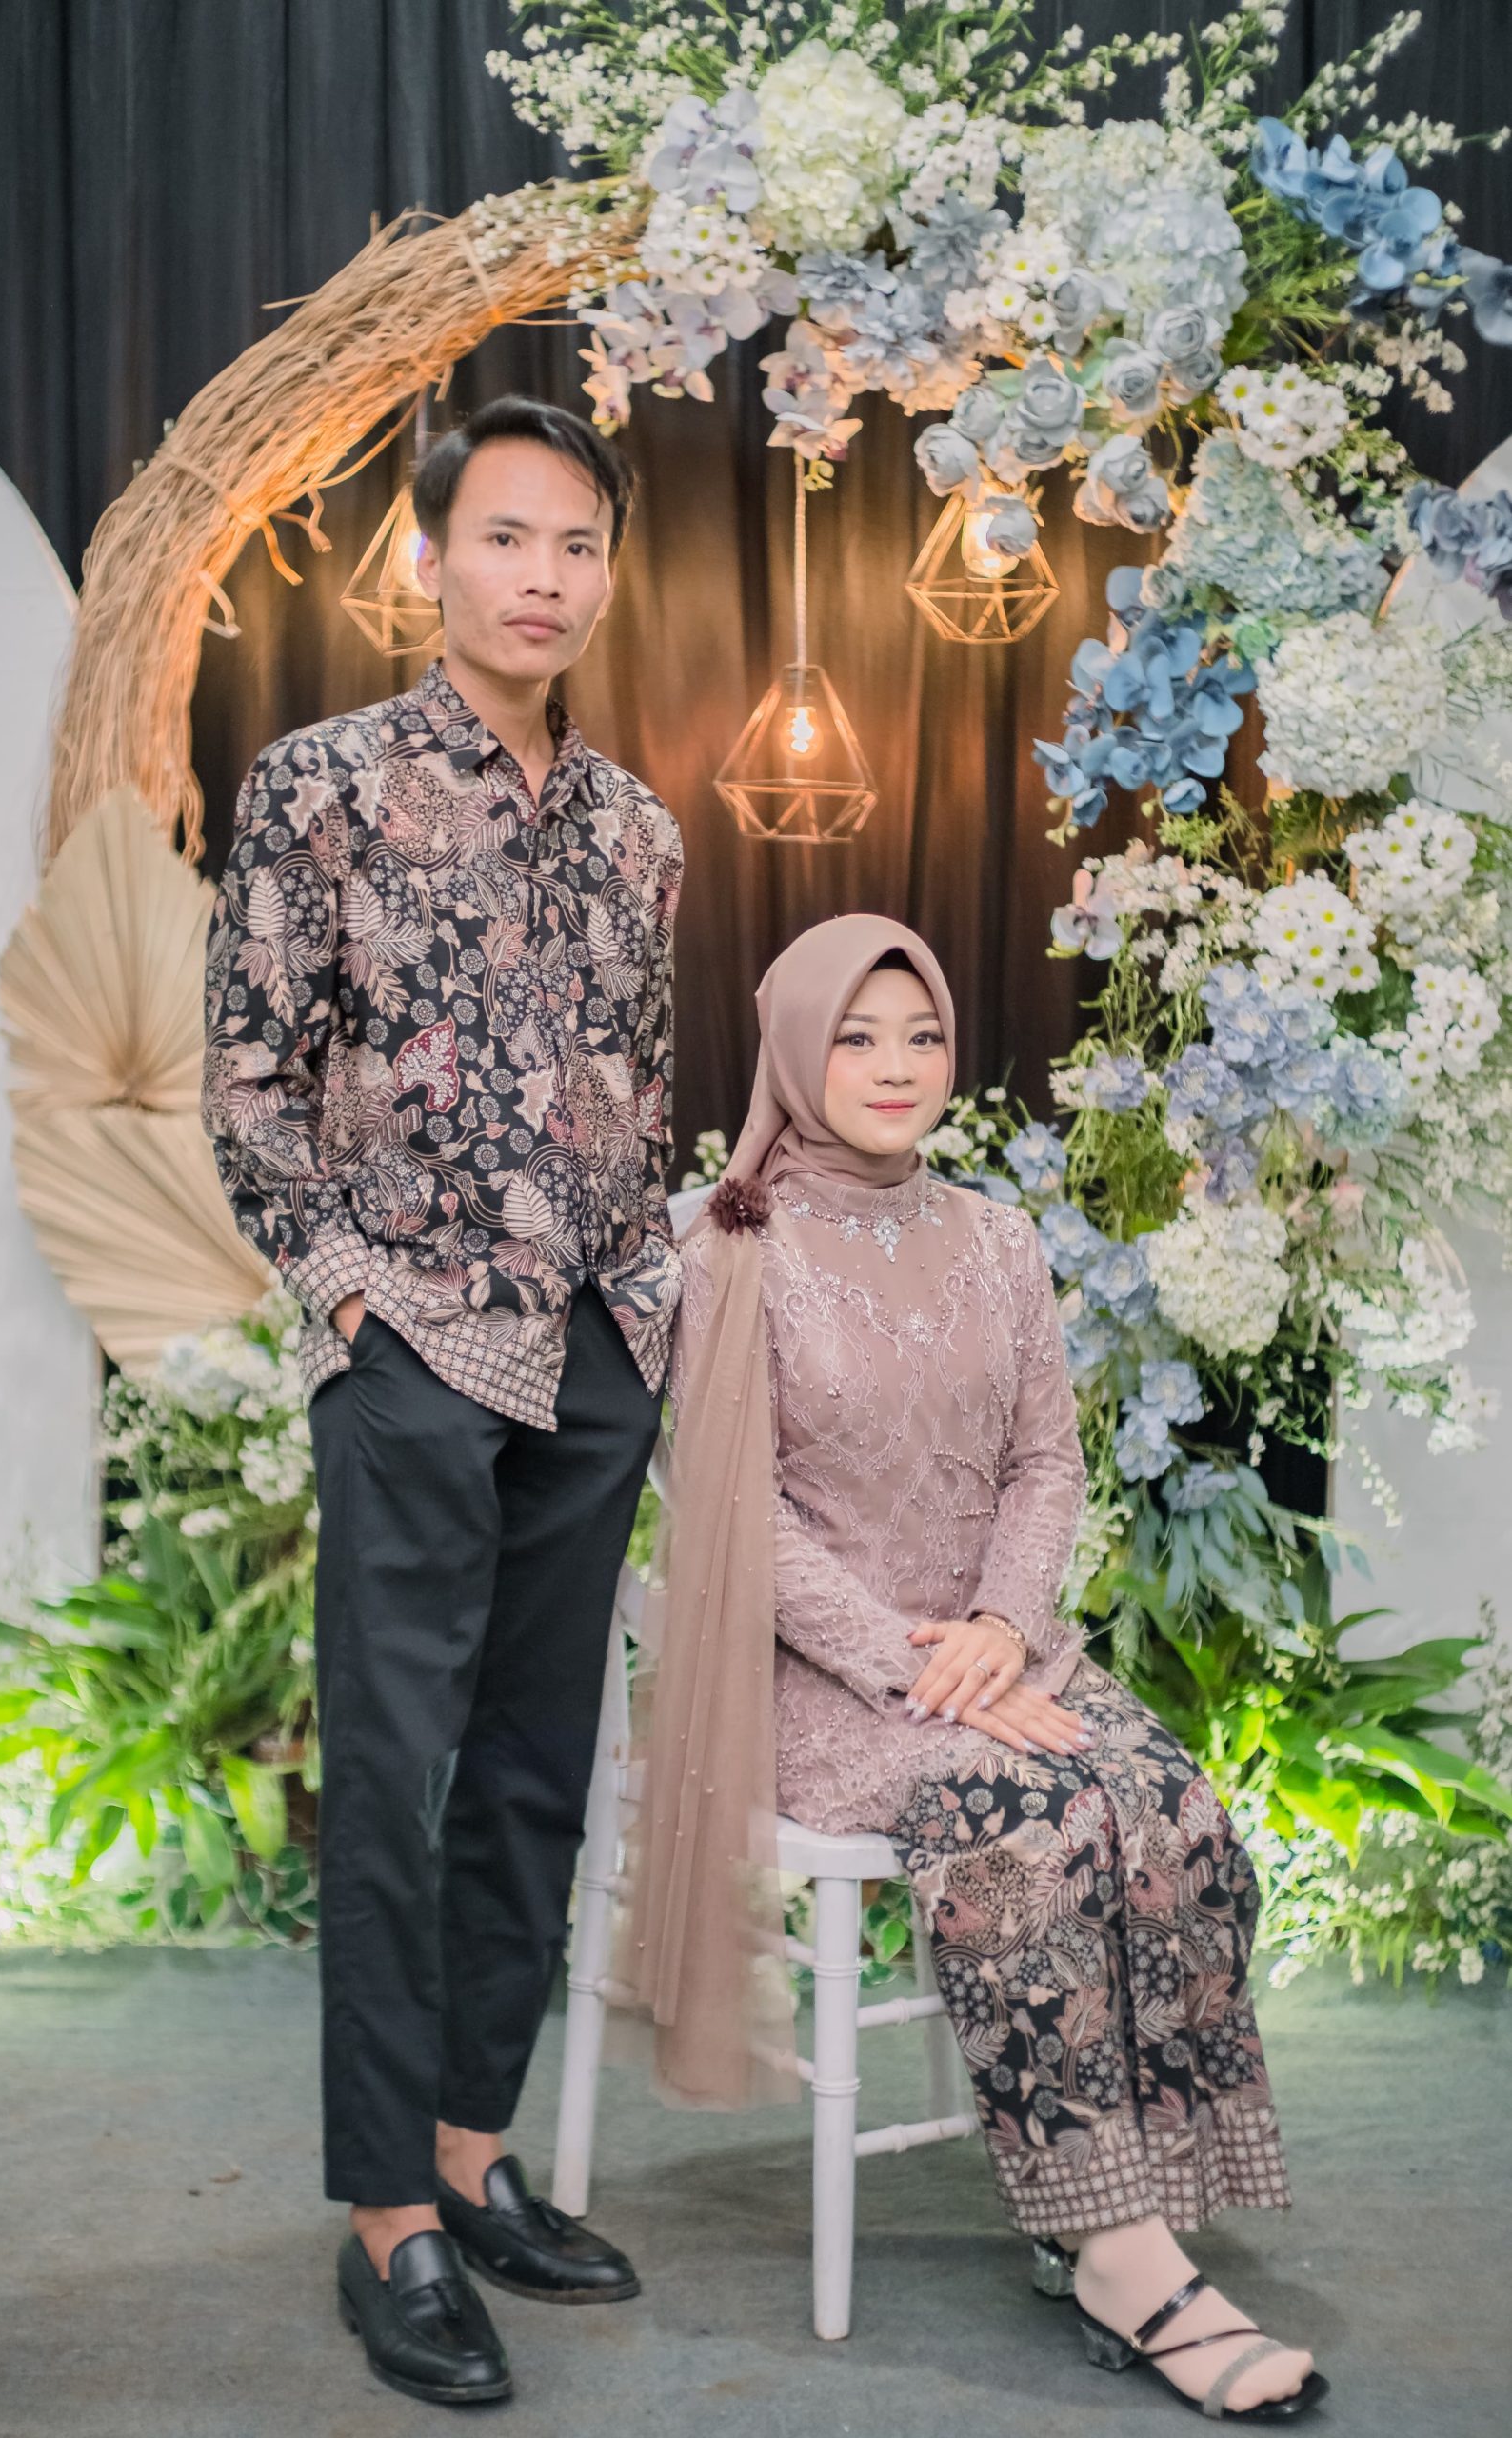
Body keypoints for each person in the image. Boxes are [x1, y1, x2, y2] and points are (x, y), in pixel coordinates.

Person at [627, 914, 1327, 2426]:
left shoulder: (999, 1237)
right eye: (855, 1038)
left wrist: (1004, 1629)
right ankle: (1121, 2260)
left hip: (995, 1653)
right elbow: (736, 1513)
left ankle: (1124, 2201)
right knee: (1021, 1826)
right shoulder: (727, 1246)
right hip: (815, 1681)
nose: (895, 1067)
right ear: (792, 1053)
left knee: (1172, 1807)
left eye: (922, 1036)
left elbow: (1042, 1465)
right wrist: (913, 1668)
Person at [203, 395, 684, 2408]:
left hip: (591, 1351)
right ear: (429, 559)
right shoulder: (316, 785)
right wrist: (349, 1299)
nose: (543, 577)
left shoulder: (639, 827)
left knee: (532, 1774)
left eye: (576, 543)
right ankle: (385, 2217)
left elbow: (642, 1088)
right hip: (409, 1345)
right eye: (506, 536)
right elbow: (246, 1082)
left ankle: (473, 2157)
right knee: (397, 1787)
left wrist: (648, 1298)